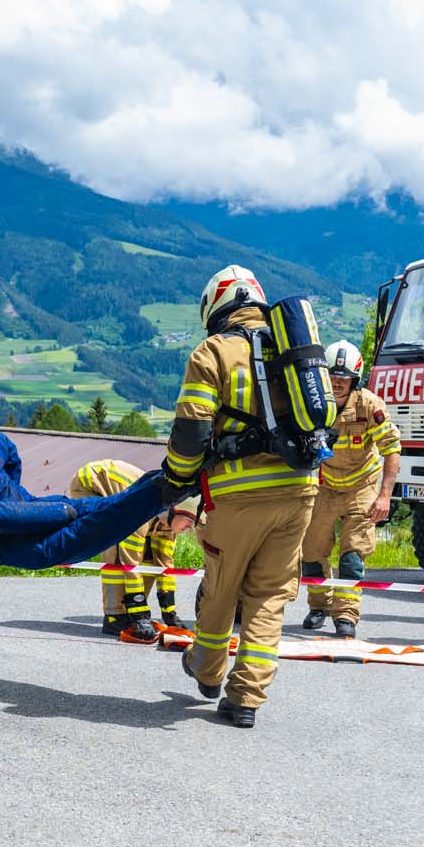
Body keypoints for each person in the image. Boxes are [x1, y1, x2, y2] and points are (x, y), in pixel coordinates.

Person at [157, 264, 316, 727]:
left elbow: (190, 432)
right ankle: (246, 698)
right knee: (269, 595)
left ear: (216, 307)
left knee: (222, 587)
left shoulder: (213, 352)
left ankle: (207, 671)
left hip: (238, 495)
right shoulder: (292, 351)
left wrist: (177, 481)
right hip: (300, 491)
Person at [298, 340, 401, 638]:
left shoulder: (369, 405)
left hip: (362, 486)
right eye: (332, 378)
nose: (338, 384)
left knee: (353, 555)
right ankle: (318, 606)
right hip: (324, 487)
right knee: (313, 552)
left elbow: (392, 449)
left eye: (344, 379)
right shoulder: (314, 404)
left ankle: (346, 616)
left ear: (355, 379)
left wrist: (384, 496)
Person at [70, 457, 185, 639]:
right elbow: (130, 565)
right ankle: (115, 617)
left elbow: (164, 566)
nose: (189, 528)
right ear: (174, 511)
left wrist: (169, 613)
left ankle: (130, 612)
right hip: (89, 484)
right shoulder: (141, 514)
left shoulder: (170, 524)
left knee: (148, 557)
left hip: (119, 487)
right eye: (188, 522)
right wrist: (140, 615)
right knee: (115, 545)